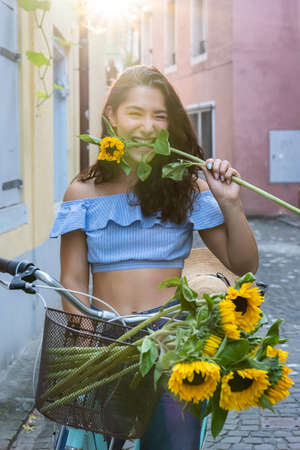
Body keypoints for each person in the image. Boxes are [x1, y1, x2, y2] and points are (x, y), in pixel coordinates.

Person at [50, 65, 258, 450]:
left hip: (175, 341)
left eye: (159, 115)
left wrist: (230, 203)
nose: (147, 125)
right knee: (84, 444)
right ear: (111, 115)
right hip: (105, 341)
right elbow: (74, 279)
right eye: (135, 113)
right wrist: (88, 340)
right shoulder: (81, 191)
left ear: (170, 124)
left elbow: (243, 265)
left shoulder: (187, 187)